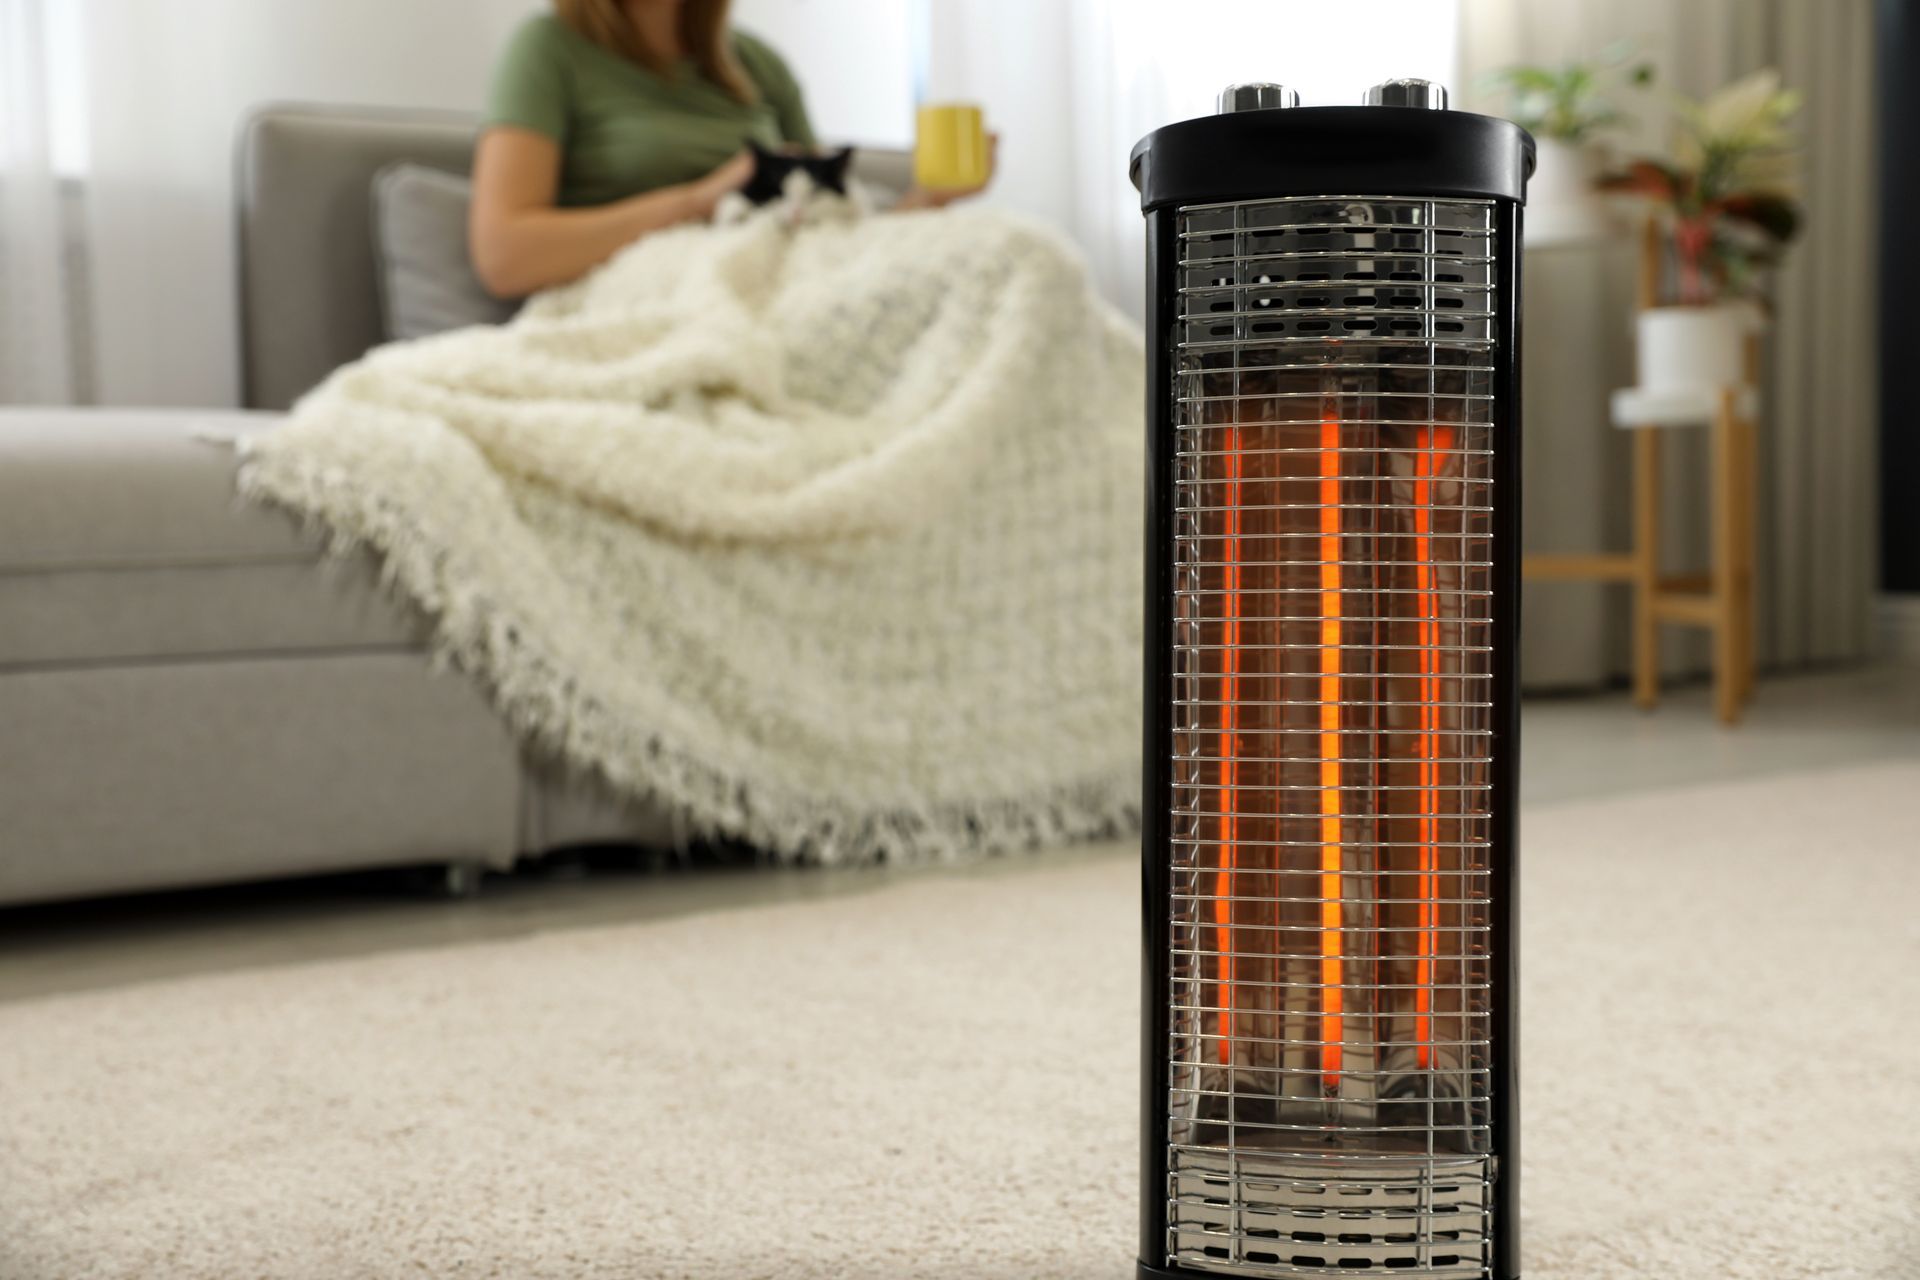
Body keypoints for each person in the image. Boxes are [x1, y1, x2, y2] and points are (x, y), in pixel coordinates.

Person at [470, 0, 992, 298]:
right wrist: (697, 201)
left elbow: (836, 231)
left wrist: (931, 199)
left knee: (1005, 259)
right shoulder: (548, 51)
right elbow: (504, 256)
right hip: (655, 293)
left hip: (787, 284)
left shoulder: (757, 65)